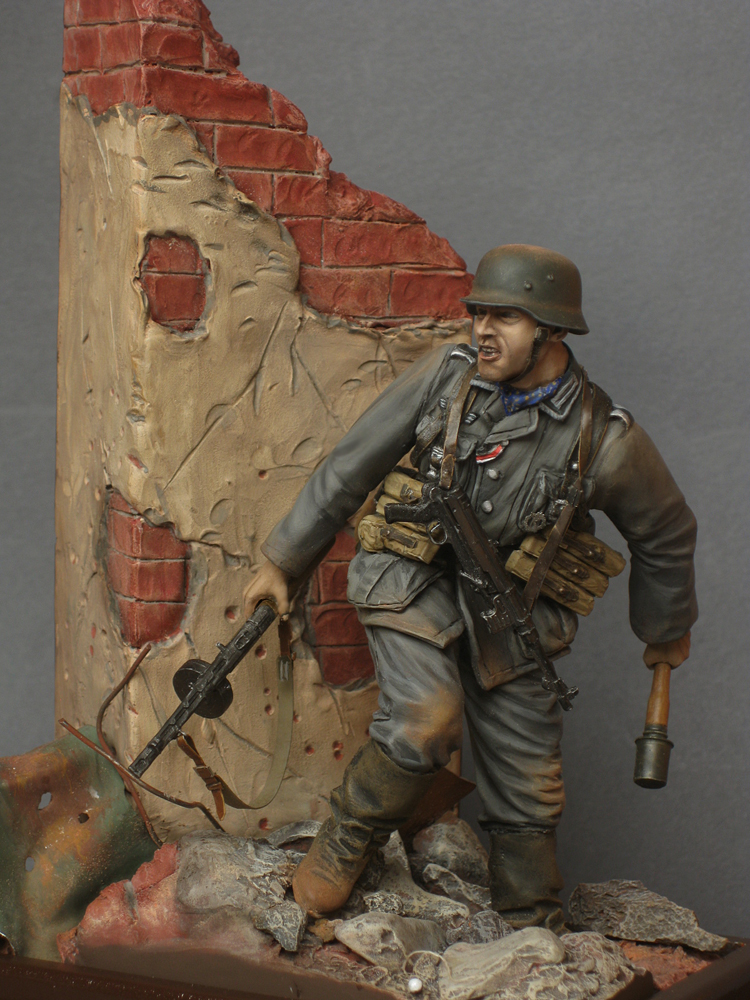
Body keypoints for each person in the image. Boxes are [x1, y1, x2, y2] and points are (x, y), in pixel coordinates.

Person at [243, 244, 697, 931]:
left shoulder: (603, 439)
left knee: (529, 778)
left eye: (505, 318)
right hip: (410, 576)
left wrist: (664, 629)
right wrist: (285, 559)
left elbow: (664, 530)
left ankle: (530, 924)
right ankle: (342, 845)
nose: (483, 330)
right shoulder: (448, 378)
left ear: (551, 331)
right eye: (479, 313)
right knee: (424, 720)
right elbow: (352, 465)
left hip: (516, 613)